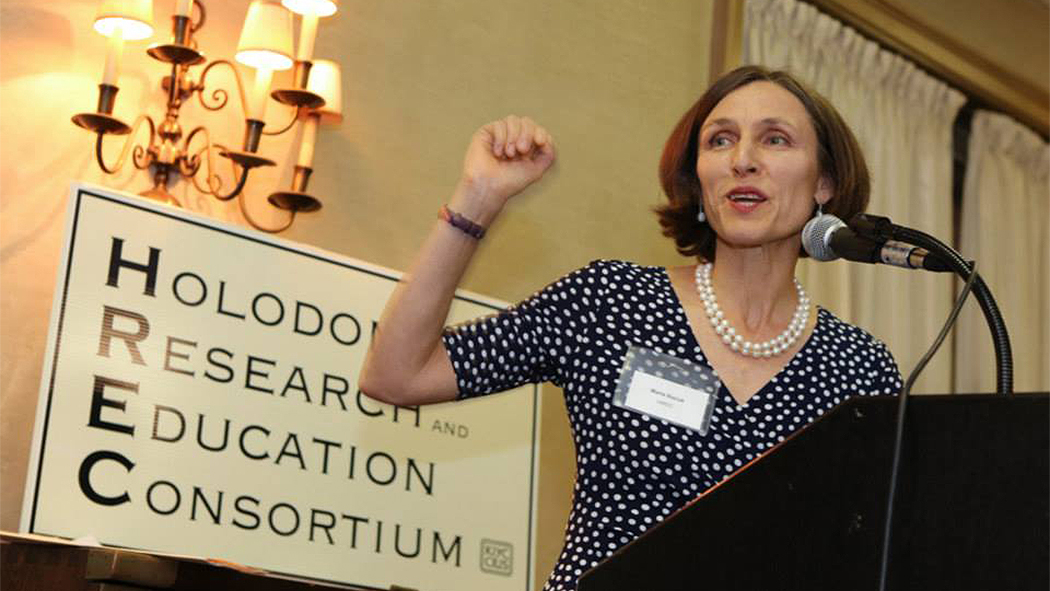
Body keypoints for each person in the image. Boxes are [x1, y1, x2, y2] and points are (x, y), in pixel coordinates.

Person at [359, 65, 902, 591]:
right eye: (719, 141)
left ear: (825, 182)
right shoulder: (609, 302)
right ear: (697, 176)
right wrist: (477, 197)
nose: (742, 160)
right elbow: (397, 375)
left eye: (775, 140)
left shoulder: (859, 367)